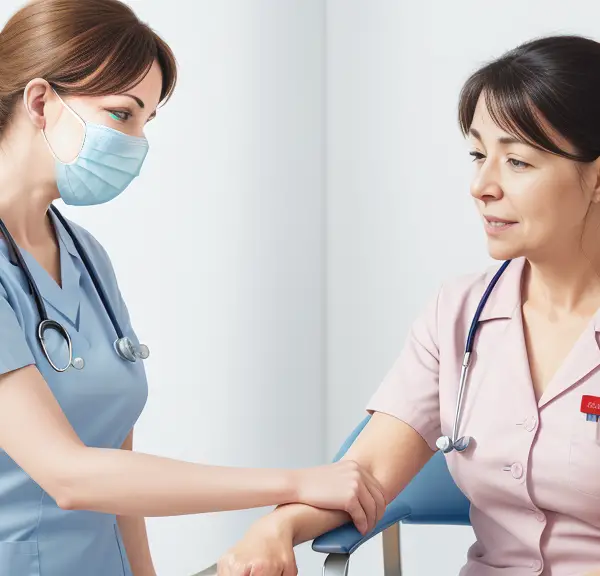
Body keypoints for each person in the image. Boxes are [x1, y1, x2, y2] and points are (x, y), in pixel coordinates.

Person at [0, 1, 388, 575]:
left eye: (146, 122)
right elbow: (70, 475)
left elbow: (116, 458)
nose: (136, 143)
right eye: (122, 114)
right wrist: (296, 481)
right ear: (39, 102)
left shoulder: (85, 257)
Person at [217, 34, 600, 576]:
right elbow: (366, 473)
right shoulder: (459, 312)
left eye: (517, 161)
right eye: (477, 154)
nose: (481, 185)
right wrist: (275, 528)